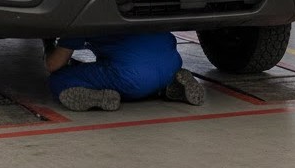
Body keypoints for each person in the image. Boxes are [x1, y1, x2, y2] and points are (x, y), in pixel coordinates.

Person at [44, 32, 205, 111]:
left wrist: (49, 46)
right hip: (171, 64)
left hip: (133, 77)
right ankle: (170, 86)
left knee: (58, 78)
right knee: (133, 63)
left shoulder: (82, 12)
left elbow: (54, 64)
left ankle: (99, 95)